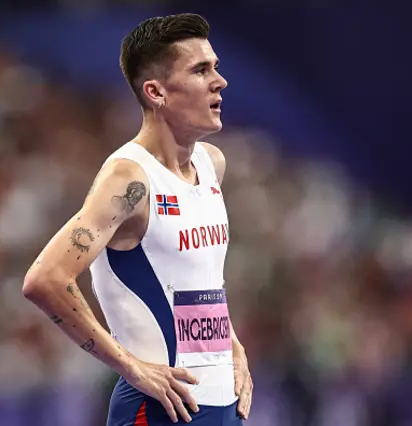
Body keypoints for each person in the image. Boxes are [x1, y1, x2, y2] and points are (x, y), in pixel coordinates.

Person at [22, 13, 253, 425]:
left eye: (216, 67)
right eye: (201, 70)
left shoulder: (211, 164)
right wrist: (129, 365)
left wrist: (231, 346)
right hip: (158, 408)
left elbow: (197, 280)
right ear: (156, 91)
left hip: (222, 403)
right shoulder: (129, 179)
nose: (220, 81)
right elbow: (45, 279)